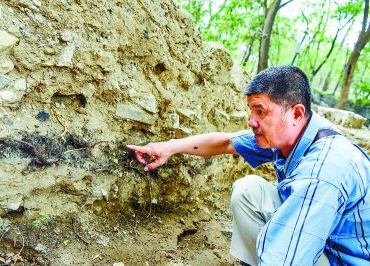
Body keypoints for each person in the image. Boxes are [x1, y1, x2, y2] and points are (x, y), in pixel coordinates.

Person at [126, 66, 370, 266]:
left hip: (344, 260)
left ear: (296, 113)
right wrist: (169, 147)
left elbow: (287, 259)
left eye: (261, 111)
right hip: (324, 241)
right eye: (251, 111)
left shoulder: (324, 170)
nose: (251, 121)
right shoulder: (294, 132)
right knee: (249, 190)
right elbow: (226, 142)